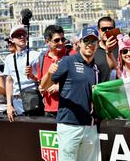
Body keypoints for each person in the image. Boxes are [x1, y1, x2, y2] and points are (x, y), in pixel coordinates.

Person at [40, 27, 100, 161]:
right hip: (69, 125)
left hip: (90, 127)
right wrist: (49, 73)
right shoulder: (68, 61)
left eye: (94, 41)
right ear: (79, 43)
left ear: (97, 45)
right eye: (86, 40)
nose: (90, 44)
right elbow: (43, 86)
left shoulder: (96, 68)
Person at [3, 25, 40, 122]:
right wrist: (9, 105)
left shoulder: (36, 55)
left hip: (34, 98)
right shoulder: (9, 59)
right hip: (17, 101)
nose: (22, 37)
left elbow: (42, 78)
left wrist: (32, 75)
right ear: (12, 40)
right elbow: (9, 82)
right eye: (18, 35)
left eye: (24, 34)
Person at [37, 25, 67, 118]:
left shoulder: (71, 55)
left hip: (68, 109)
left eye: (63, 39)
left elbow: (79, 80)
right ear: (47, 42)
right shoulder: (42, 58)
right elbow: (41, 84)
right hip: (49, 110)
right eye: (57, 40)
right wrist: (41, 87)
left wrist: (59, 86)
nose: (61, 42)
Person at [95, 16, 119, 82]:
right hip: (100, 90)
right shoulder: (93, 49)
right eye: (104, 29)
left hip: (120, 90)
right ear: (99, 30)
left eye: (110, 29)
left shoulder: (123, 48)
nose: (107, 31)